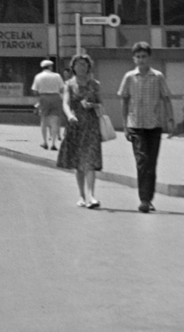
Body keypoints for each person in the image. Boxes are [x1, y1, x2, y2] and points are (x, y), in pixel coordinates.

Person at [117, 40, 175, 214]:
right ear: (134, 59)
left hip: (154, 126)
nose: (141, 60)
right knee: (142, 162)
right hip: (136, 126)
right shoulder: (129, 77)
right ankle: (144, 199)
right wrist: (125, 126)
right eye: (138, 57)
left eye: (144, 56)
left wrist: (170, 119)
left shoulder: (157, 77)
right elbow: (124, 100)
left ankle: (148, 198)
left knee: (151, 163)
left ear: (149, 58)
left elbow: (166, 98)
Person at [56, 53, 105, 208]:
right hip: (76, 126)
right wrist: (70, 115)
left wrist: (94, 105)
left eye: (84, 64)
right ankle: (82, 196)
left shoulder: (95, 84)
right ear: (73, 67)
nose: (81, 67)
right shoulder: (69, 84)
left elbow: (101, 104)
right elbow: (65, 103)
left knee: (90, 162)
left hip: (91, 126)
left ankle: (91, 196)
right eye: (78, 64)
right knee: (79, 163)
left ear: (89, 67)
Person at [32, 58, 66, 150]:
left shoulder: (38, 76)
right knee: (55, 121)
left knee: (43, 120)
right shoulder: (57, 76)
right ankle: (54, 143)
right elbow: (62, 89)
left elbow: (35, 91)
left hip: (44, 98)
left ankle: (45, 142)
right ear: (50, 67)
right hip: (56, 97)